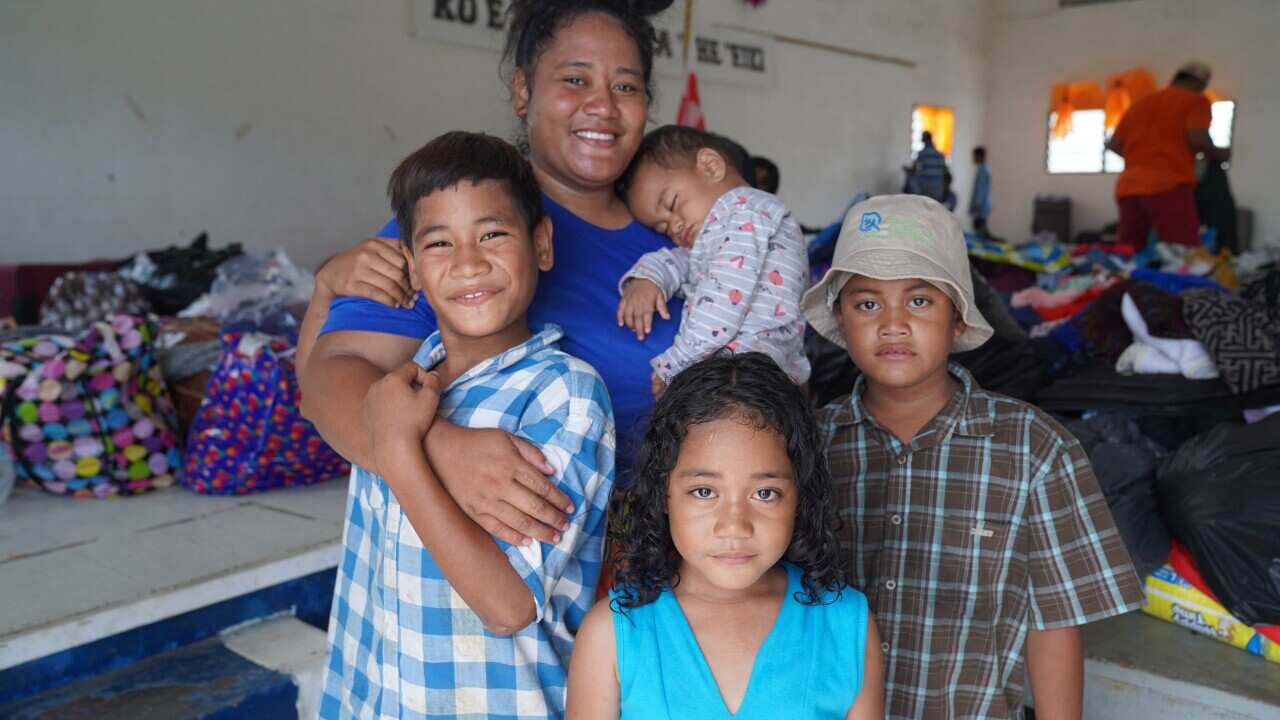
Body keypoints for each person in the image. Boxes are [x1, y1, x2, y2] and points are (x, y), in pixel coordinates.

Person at [297, 0, 676, 555]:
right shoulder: (459, 232)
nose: (603, 106)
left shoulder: (677, 241)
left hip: (679, 560)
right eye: (575, 80)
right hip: (513, 565)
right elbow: (331, 378)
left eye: (626, 86)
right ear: (523, 91)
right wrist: (440, 451)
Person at [800, 194, 1145, 719]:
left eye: (920, 301)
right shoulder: (808, 448)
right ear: (840, 321)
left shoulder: (1035, 450)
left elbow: (1054, 625)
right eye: (867, 304)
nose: (893, 324)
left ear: (958, 318)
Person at [319, 132, 615, 719]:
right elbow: (314, 379)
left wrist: (400, 449)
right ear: (412, 268)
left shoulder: (564, 394)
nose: (468, 263)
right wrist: (325, 285)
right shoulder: (398, 388)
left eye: (492, 234)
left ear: (541, 243)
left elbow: (508, 607)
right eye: (438, 243)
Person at [565, 353, 884, 719]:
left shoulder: (846, 625)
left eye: (764, 493)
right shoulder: (611, 633)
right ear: (664, 493)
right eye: (704, 492)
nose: (734, 525)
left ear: (799, 496)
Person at [615, 125, 810, 392]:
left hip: (752, 374)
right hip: (742, 371)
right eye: (662, 228)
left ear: (710, 166)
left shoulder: (746, 213)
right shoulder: (723, 229)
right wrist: (649, 278)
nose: (674, 226)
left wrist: (678, 364)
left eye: (672, 204)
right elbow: (683, 261)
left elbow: (722, 302)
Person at [1106, 61, 1230, 247]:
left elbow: (1114, 144)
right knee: (1182, 249)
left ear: (1175, 78)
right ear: (1200, 84)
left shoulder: (1140, 104)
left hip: (1129, 188)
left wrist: (1142, 158)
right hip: (1169, 186)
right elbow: (1198, 139)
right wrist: (1221, 153)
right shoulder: (1195, 100)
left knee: (1129, 251)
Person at [903, 131, 947, 202]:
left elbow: (913, 169)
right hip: (938, 188)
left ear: (925, 139)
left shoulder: (922, 153)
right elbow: (945, 171)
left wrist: (907, 170)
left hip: (925, 188)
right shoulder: (940, 154)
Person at [969, 146, 991, 235]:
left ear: (979, 156)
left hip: (980, 206)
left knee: (979, 230)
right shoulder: (985, 168)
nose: (973, 158)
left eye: (975, 156)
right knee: (981, 228)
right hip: (983, 206)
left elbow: (980, 190)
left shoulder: (983, 170)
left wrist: (976, 205)